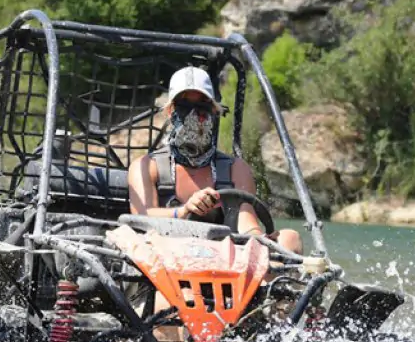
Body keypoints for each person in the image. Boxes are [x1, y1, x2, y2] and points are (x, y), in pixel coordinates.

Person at [127, 66, 302, 254]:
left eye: (202, 104)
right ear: (171, 111)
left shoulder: (235, 169)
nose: (195, 114)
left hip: (222, 264)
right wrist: (184, 211)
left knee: (289, 238)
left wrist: (259, 241)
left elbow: (246, 222)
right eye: (185, 104)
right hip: (165, 261)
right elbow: (142, 216)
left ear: (214, 110)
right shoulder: (146, 167)